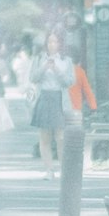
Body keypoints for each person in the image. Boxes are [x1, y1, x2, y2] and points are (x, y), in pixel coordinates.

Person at [29, 30, 76, 179]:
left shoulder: (66, 60)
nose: (52, 45)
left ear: (60, 44)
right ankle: (49, 170)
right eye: (49, 41)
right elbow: (33, 78)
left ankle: (63, 169)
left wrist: (56, 69)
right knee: (44, 137)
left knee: (61, 137)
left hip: (59, 98)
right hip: (44, 97)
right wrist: (44, 67)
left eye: (55, 41)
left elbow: (69, 81)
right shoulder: (39, 58)